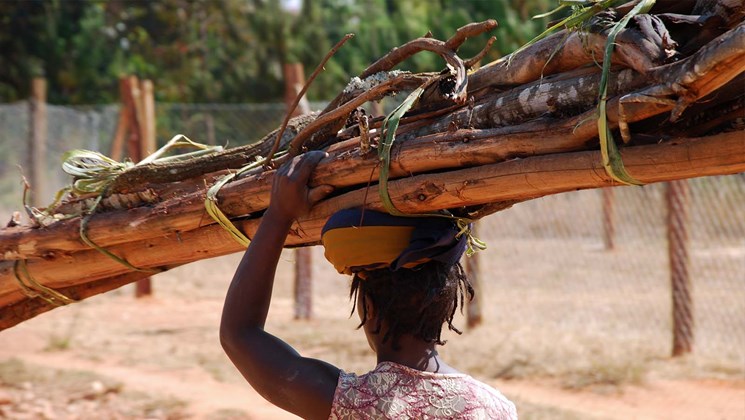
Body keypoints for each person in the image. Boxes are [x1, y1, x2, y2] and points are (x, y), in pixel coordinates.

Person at [220, 151, 517, 419]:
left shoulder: (355, 404)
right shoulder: (496, 409)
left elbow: (239, 333)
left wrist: (278, 215)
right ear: (447, 304)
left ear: (369, 308)